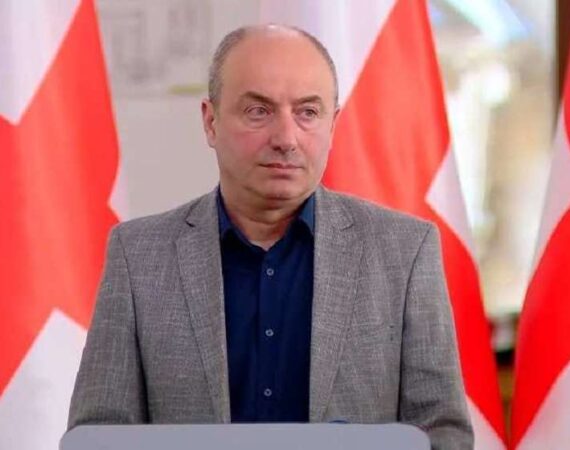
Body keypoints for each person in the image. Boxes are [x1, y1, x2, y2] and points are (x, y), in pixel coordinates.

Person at [68, 24, 473, 448]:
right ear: (210, 121)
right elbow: (99, 435)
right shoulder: (139, 256)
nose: (285, 138)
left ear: (333, 125)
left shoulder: (404, 252)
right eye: (258, 111)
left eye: (308, 112)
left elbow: (442, 435)